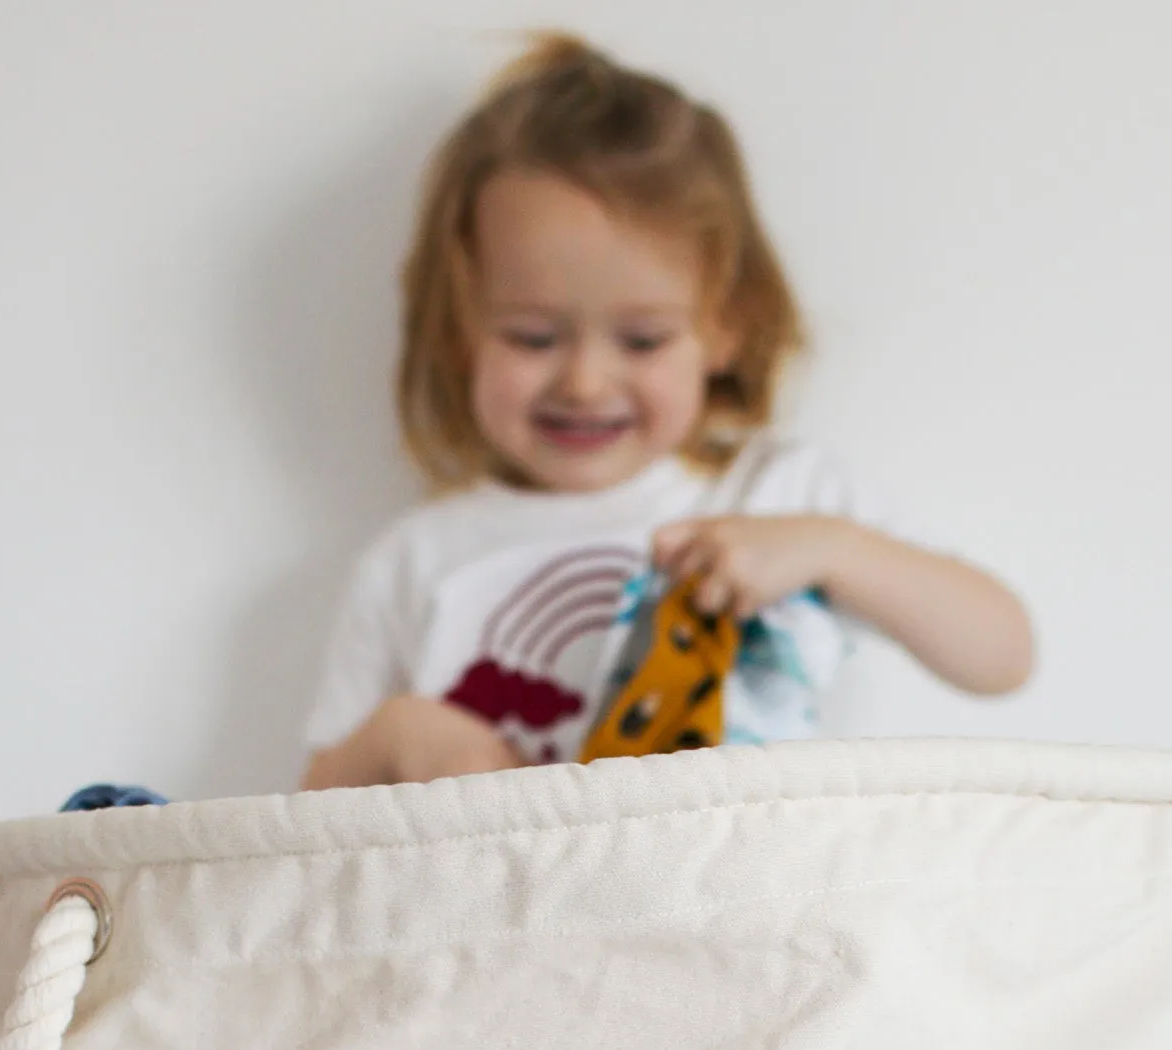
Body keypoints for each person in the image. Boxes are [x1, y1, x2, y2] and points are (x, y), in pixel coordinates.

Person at [300, 36, 1034, 791]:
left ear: (726, 326)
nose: (585, 382)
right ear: (458, 332)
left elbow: (1003, 655)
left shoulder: (782, 496)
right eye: (533, 336)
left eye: (642, 339)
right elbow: (300, 826)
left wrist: (833, 550)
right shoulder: (414, 561)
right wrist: (398, 736)